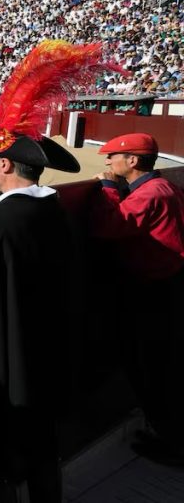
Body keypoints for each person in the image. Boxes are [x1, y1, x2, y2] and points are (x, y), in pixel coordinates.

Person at [0, 39, 112, 502]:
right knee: (43, 450)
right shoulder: (54, 212)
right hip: (51, 357)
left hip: (5, 367)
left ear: (3, 162)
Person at [90, 132, 184, 465]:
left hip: (153, 291)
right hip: (166, 286)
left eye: (114, 156)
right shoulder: (166, 188)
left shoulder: (150, 195)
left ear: (132, 161)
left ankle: (175, 444)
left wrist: (109, 189)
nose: (108, 163)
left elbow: (109, 226)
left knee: (156, 368)